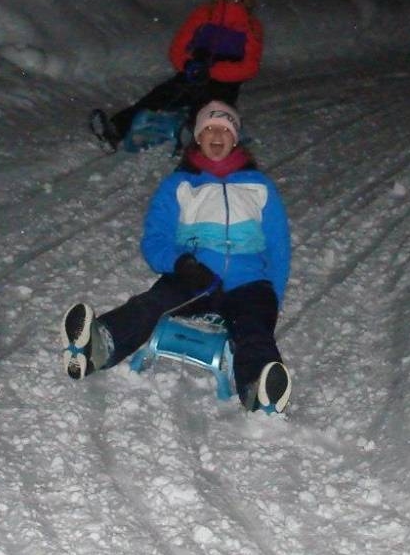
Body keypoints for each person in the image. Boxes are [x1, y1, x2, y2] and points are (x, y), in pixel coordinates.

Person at [64, 100, 293, 411]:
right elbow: (154, 240)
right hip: (194, 275)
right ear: (197, 136)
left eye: (224, 129)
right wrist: (178, 263)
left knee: (254, 330)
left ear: (235, 137)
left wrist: (272, 297)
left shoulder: (259, 186)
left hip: (248, 282)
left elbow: (279, 246)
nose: (216, 135)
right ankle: (98, 345)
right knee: (151, 304)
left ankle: (260, 390)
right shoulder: (180, 185)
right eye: (208, 128)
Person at [91, 0, 263, 149]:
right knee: (163, 96)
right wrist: (187, 65)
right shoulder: (204, 14)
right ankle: (117, 128)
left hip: (225, 80)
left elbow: (249, 67)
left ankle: (195, 140)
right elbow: (178, 47)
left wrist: (213, 72)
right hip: (195, 69)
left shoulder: (251, 26)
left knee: (210, 106)